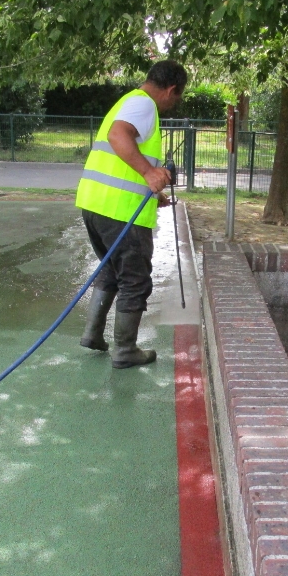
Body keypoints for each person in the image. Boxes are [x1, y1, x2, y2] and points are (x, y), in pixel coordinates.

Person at [75, 60, 187, 369]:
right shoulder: (144, 105)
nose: (172, 105)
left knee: (112, 271)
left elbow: (119, 156)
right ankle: (125, 350)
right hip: (120, 214)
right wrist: (151, 173)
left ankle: (93, 334)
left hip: (96, 205)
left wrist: (153, 190)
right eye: (175, 99)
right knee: (135, 280)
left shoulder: (128, 101)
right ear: (171, 89)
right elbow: (118, 136)